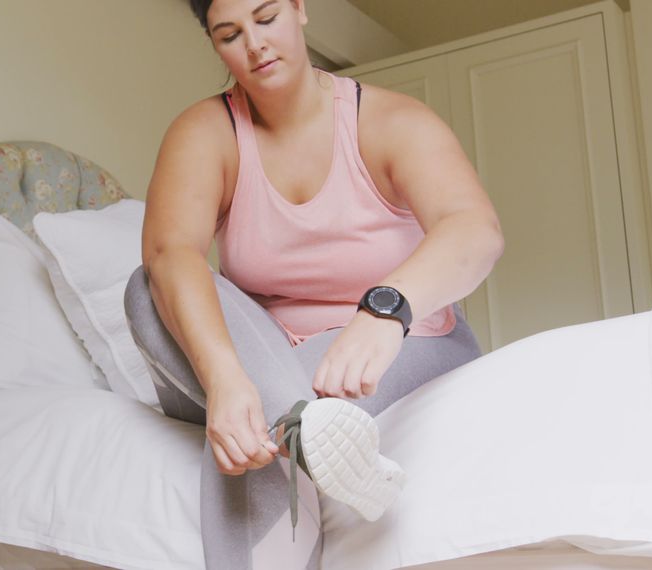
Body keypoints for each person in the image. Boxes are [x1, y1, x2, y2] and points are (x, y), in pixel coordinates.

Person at [123, 0, 504, 568]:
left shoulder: (389, 120)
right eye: (230, 34)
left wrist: (384, 311)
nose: (254, 44)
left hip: (396, 340)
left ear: (300, 8)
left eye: (267, 17)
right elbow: (170, 252)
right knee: (144, 288)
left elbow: (474, 229)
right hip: (264, 356)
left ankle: (294, 428)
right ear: (214, 42)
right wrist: (226, 380)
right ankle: (310, 436)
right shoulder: (206, 132)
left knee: (275, 424)